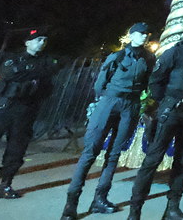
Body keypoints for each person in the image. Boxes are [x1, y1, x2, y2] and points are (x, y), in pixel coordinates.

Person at [128, 12, 183, 220]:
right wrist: (166, 102)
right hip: (173, 108)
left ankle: (172, 208)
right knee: (153, 159)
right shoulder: (176, 51)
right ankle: (135, 210)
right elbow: (156, 80)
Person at [62, 22, 155, 219]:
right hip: (110, 101)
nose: (144, 37)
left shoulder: (149, 58)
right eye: (140, 34)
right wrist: (107, 100)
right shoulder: (118, 56)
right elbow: (100, 84)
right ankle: (71, 204)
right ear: (131, 35)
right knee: (90, 152)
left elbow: (147, 82)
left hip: (130, 105)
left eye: (146, 34)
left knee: (113, 155)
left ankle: (100, 199)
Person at [0, 27, 55, 199]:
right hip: (4, 107)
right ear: (27, 42)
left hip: (26, 110)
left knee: (16, 151)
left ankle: (5, 186)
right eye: (38, 39)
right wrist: (32, 76)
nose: (42, 43)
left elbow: (47, 84)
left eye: (44, 40)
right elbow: (7, 76)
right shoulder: (14, 59)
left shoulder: (45, 62)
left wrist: (26, 74)